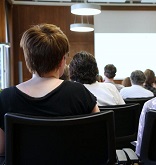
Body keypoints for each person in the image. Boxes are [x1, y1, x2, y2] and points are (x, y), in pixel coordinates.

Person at [0, 24, 99, 156]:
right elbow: (99, 138)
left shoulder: (6, 97)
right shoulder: (79, 93)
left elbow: (2, 150)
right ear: (62, 61)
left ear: (27, 59)